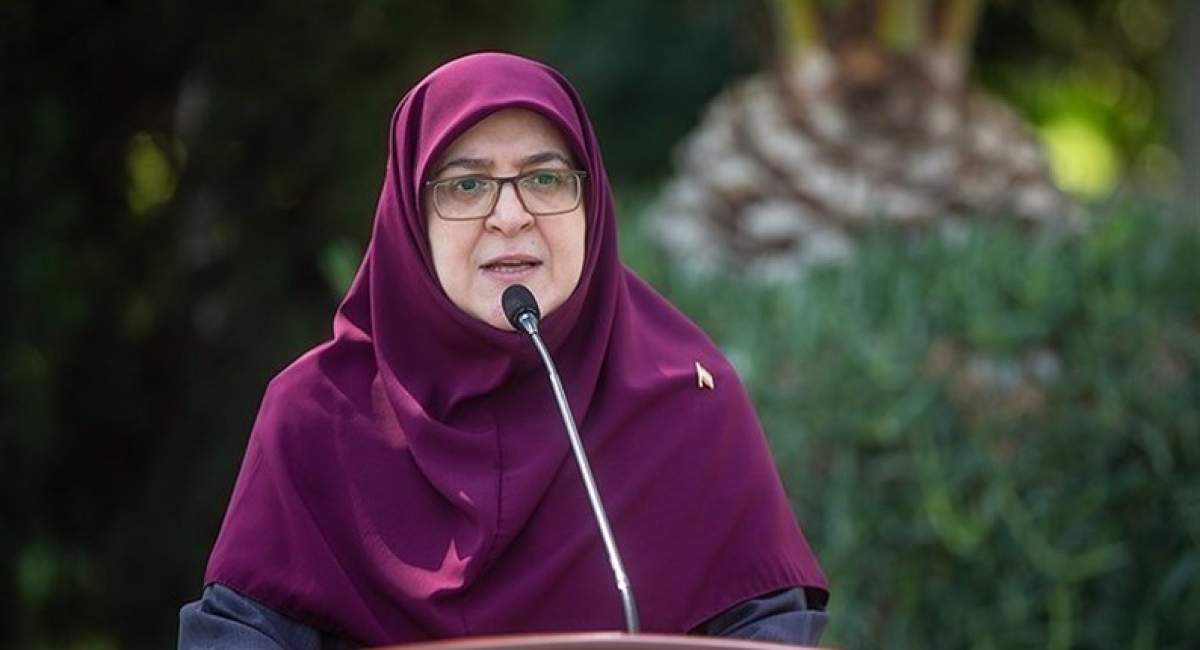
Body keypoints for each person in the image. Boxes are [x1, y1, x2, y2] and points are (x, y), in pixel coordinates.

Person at [179, 52, 829, 649]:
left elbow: (768, 628)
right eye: (466, 186)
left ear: (592, 203)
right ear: (409, 218)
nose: (511, 215)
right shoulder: (316, 414)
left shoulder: (685, 399)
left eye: (545, 178)